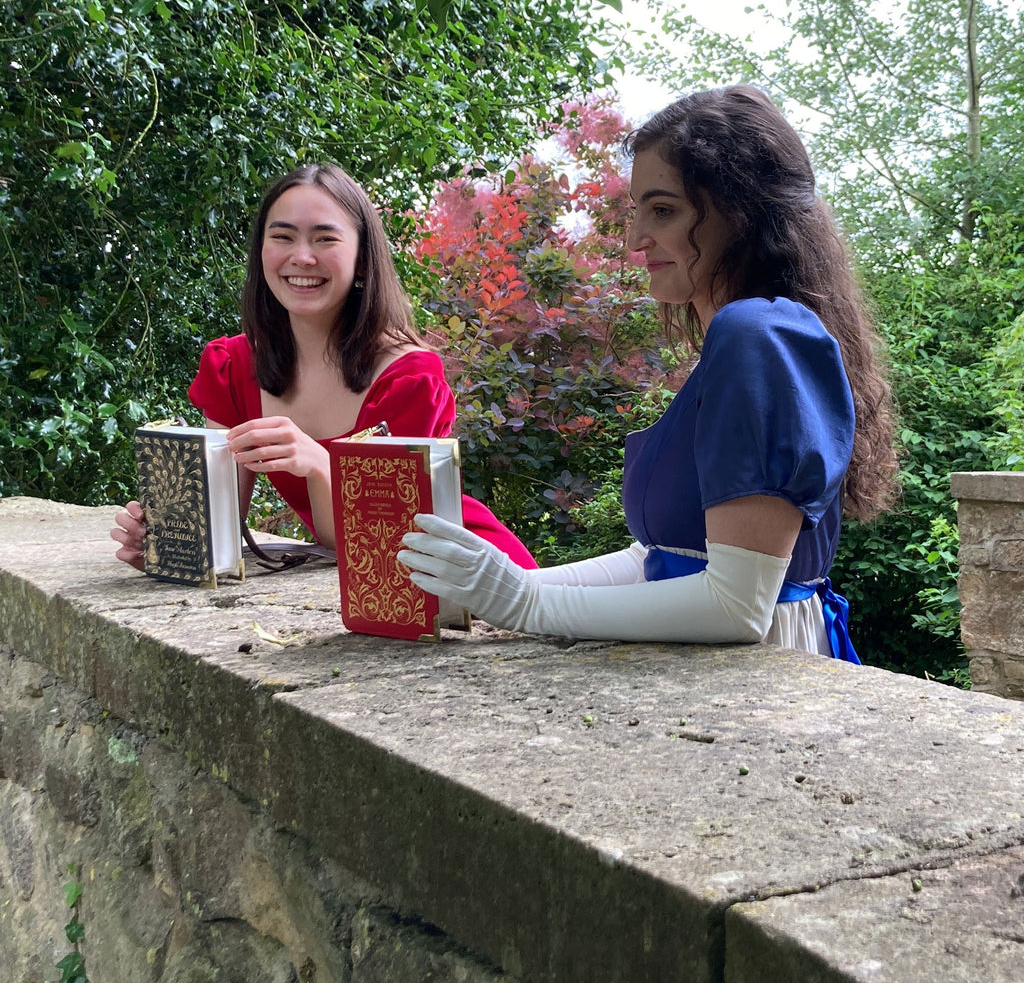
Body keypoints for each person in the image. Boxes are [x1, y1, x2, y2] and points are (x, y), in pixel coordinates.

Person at [398, 85, 898, 660]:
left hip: (761, 682)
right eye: (638, 209)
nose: (636, 238)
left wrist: (524, 605)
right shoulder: (747, 339)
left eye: (663, 210)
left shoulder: (755, 335)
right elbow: (666, 557)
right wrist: (513, 584)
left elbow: (737, 606)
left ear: (743, 216)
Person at [111, 163, 536, 571]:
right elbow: (220, 524)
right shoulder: (231, 366)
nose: (302, 257)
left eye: (325, 239)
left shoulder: (409, 378)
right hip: (368, 585)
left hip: (464, 571)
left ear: (364, 259)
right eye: (282, 236)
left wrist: (317, 463)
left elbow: (380, 541)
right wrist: (166, 542)